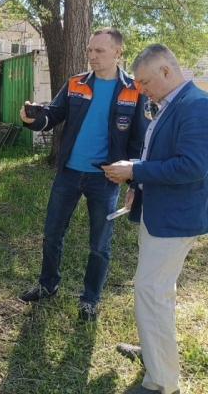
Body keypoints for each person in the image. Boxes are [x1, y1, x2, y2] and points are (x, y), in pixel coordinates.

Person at [19, 27, 149, 321]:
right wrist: (32, 118)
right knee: (52, 234)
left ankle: (90, 299)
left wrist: (133, 179)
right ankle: (47, 284)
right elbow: (52, 116)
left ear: (117, 52)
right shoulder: (76, 83)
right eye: (90, 50)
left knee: (99, 244)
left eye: (99, 51)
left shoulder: (134, 90)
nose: (92, 56)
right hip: (68, 173)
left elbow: (139, 140)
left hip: (104, 179)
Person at [103, 44, 208, 394]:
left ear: (166, 71)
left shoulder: (196, 106)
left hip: (174, 219)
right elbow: (160, 154)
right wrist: (141, 185)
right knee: (155, 291)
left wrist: (134, 169)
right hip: (159, 210)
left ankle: (162, 383)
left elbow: (193, 166)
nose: (141, 90)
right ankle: (155, 353)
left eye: (145, 82)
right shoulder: (171, 103)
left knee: (152, 292)